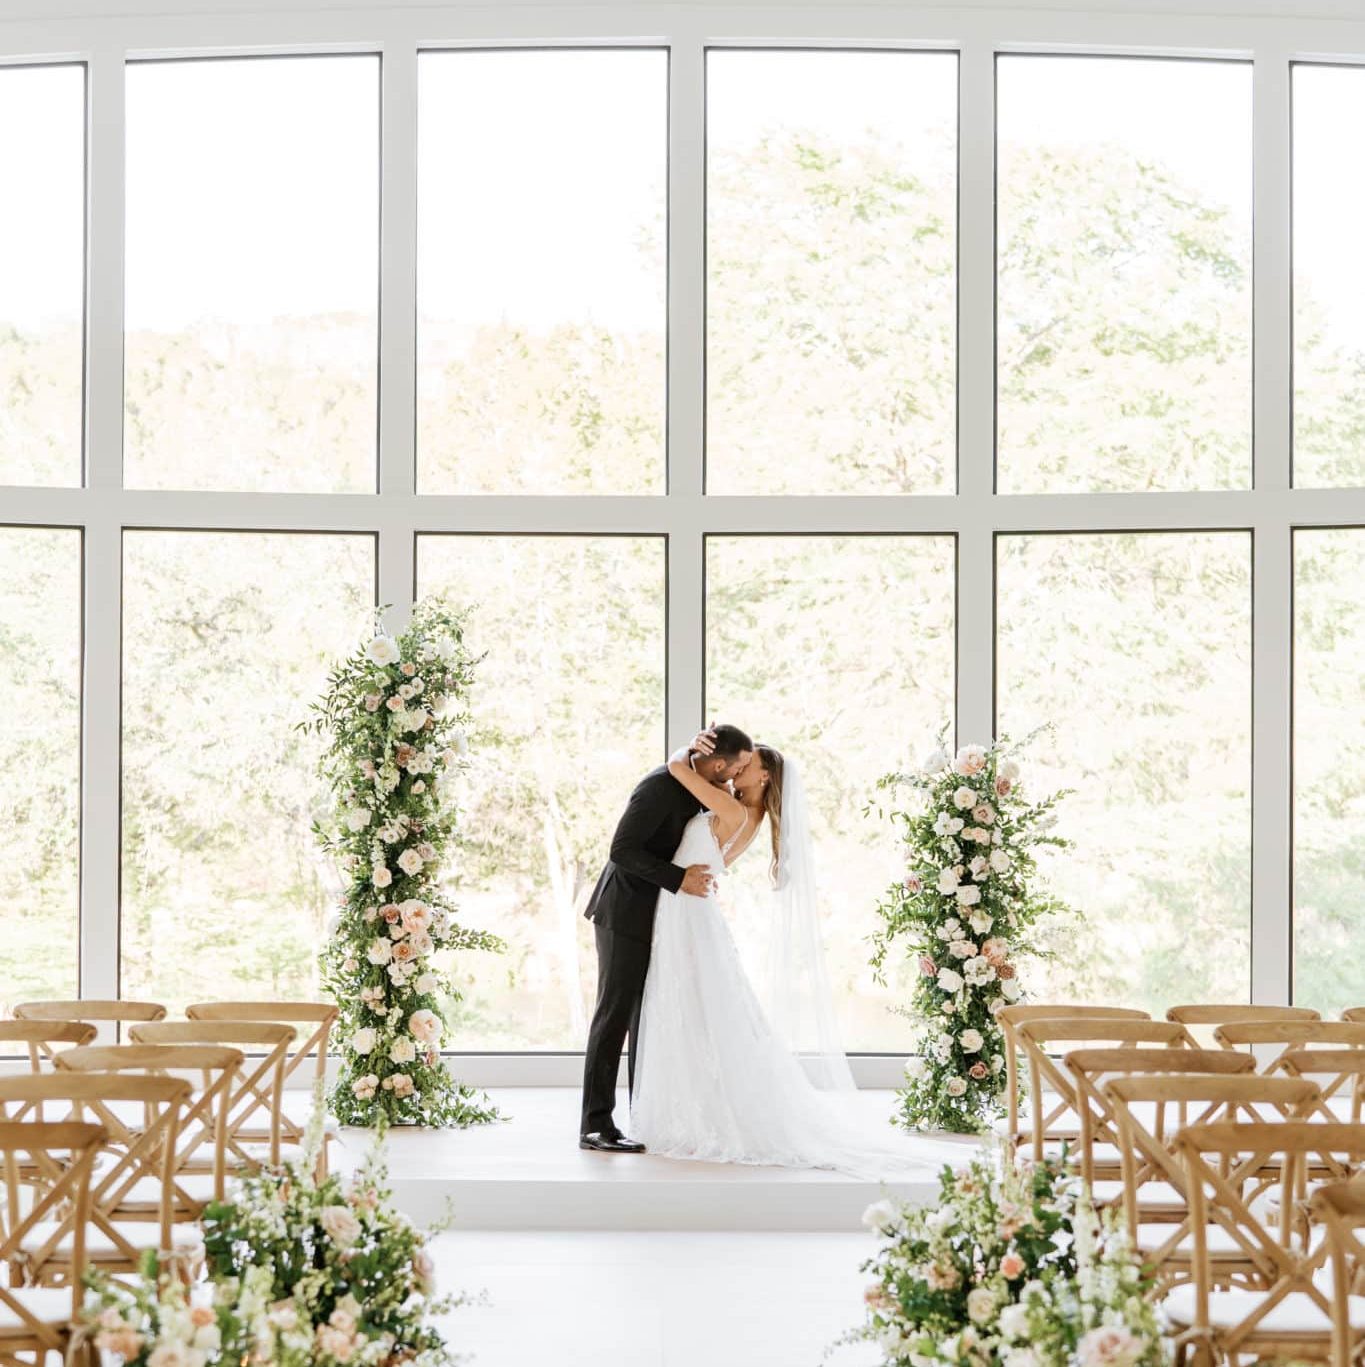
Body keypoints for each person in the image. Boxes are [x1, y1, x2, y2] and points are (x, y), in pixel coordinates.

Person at [628, 730, 930, 1178]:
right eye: (736, 764)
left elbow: (676, 769)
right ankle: (694, 1104)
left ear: (765, 776)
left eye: (744, 766)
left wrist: (685, 752)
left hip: (686, 914)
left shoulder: (732, 809)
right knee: (695, 1008)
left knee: (690, 1007)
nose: (734, 770)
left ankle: (696, 1110)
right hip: (687, 911)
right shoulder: (746, 815)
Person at [579, 724, 754, 1152]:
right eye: (738, 767)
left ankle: (643, 1115)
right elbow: (621, 850)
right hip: (623, 913)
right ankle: (594, 1125)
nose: (737, 776)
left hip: (658, 917)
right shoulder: (658, 787)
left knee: (645, 1016)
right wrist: (679, 880)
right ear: (717, 764)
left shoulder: (692, 779)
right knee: (614, 1014)